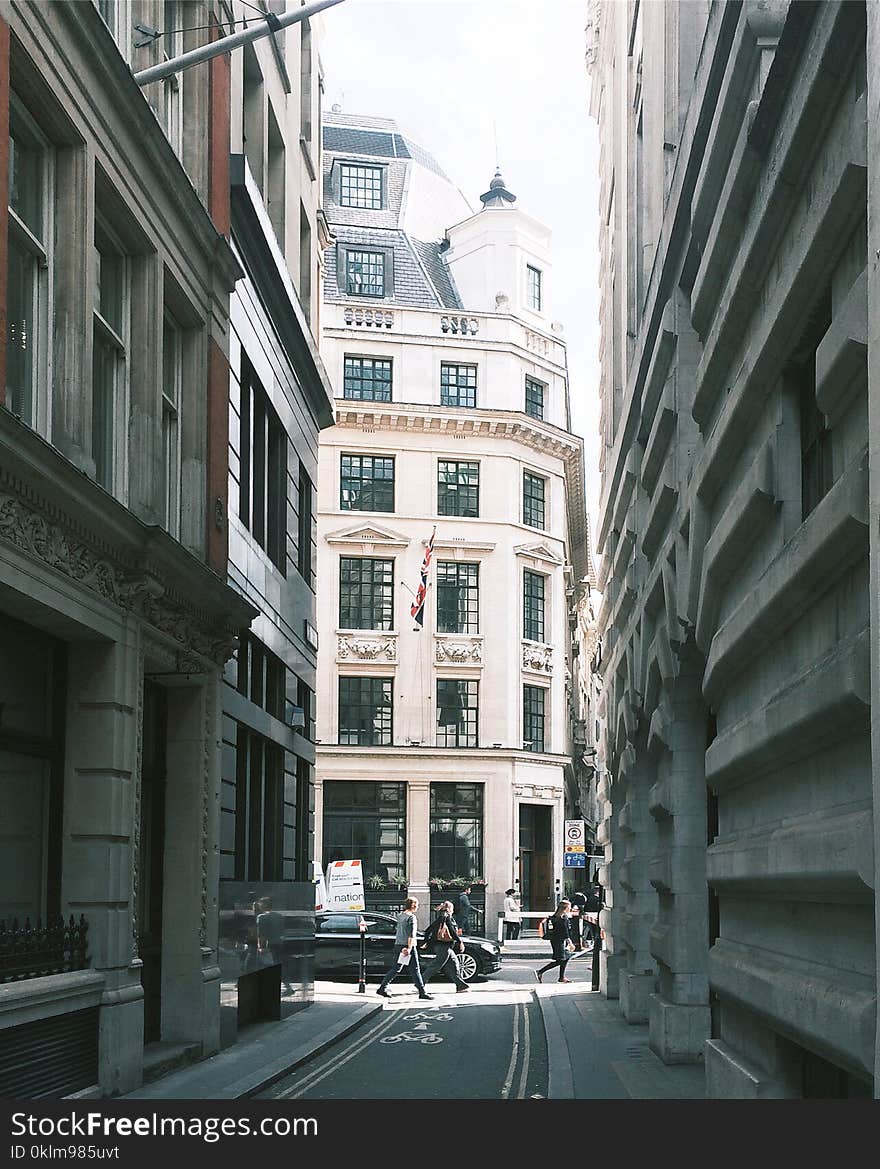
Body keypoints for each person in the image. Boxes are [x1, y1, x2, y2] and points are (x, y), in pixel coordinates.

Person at [376, 896, 433, 1000]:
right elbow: (411, 935)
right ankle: (422, 992)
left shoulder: (400, 915)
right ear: (413, 905)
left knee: (397, 968)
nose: (418, 906)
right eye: (417, 904)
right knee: (415, 969)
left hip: (399, 944)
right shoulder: (411, 918)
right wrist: (409, 948)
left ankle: (382, 988)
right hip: (408, 946)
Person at [420, 901, 469, 992]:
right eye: (452, 908)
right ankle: (420, 983)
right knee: (436, 966)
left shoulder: (441, 917)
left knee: (453, 965)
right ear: (450, 909)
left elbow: (428, 930)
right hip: (443, 946)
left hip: (446, 947)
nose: (453, 910)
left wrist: (426, 941)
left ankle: (461, 986)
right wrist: (460, 941)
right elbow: (452, 931)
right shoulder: (447, 917)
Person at [255, 896, 293, 995]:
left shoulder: (261, 917)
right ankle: (287, 987)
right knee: (278, 965)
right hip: (279, 943)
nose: (259, 906)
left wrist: (260, 947)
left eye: (260, 904)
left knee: (266, 966)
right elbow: (282, 931)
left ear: (264, 905)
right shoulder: (279, 916)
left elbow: (261, 934)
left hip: (268, 945)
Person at [536, 899, 575, 984]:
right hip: (559, 941)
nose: (570, 908)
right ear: (566, 908)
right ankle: (540, 971)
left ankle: (561, 978)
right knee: (560, 960)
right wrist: (570, 943)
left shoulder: (555, 917)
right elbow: (565, 932)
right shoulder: (563, 918)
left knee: (566, 957)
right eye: (569, 907)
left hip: (555, 940)